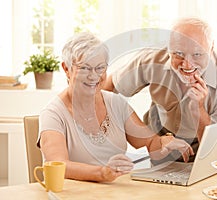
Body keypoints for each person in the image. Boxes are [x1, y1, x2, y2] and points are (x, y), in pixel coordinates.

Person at [37, 32, 194, 183]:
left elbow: (149, 142)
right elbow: (59, 165)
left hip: (113, 192)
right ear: (66, 68)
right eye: (84, 68)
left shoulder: (116, 104)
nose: (94, 76)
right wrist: (102, 173)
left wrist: (164, 142)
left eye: (100, 68)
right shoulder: (53, 114)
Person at [103, 17, 217, 163]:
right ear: (169, 48)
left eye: (197, 54)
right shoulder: (152, 58)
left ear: (211, 48)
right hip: (162, 137)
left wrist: (198, 110)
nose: (187, 65)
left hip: (203, 143)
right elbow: (109, 88)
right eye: (179, 54)